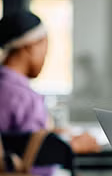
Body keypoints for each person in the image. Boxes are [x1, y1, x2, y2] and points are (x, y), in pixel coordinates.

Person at [0, 9, 100, 154]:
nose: (45, 57)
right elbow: (38, 164)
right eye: (44, 47)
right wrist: (71, 147)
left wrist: (53, 137)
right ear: (30, 46)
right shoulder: (25, 99)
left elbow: (20, 143)